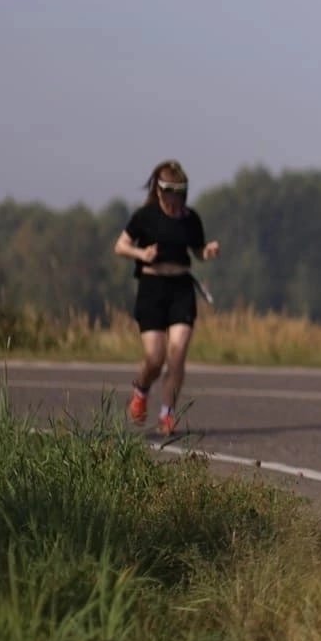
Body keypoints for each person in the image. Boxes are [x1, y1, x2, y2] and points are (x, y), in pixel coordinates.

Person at [113, 159, 218, 438]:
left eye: (179, 193)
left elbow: (197, 251)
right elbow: (120, 246)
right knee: (155, 357)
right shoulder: (145, 216)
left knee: (177, 353)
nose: (174, 199)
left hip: (181, 288)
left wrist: (208, 251)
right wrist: (141, 254)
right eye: (169, 192)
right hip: (152, 288)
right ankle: (141, 389)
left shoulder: (190, 219)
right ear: (159, 191)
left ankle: (167, 413)